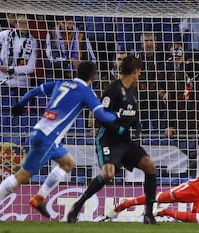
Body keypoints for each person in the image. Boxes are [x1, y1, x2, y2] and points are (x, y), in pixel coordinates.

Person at [0, 61, 119, 224]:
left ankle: (39, 198)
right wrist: (116, 116)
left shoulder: (61, 83)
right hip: (49, 138)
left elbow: (37, 90)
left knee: (68, 163)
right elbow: (101, 116)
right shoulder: (86, 92)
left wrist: (20, 104)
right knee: (23, 175)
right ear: (93, 77)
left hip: (42, 131)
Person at [67, 56, 158, 225]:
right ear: (136, 70)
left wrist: (137, 125)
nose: (140, 75)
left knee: (149, 166)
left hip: (125, 141)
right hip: (108, 139)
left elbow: (131, 115)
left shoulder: (133, 91)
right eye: (139, 71)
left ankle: (149, 214)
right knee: (108, 173)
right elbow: (101, 118)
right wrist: (119, 129)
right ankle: (77, 206)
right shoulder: (112, 90)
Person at [163, 49, 199, 177]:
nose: (192, 63)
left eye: (195, 61)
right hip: (178, 125)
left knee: (196, 154)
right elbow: (169, 104)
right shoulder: (177, 76)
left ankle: (193, 177)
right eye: (189, 61)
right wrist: (169, 125)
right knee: (188, 153)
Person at [0, 14, 38, 96]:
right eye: (21, 22)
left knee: (21, 107)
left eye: (26, 22)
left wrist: (11, 69)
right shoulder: (7, 34)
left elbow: (31, 68)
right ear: (16, 24)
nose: (24, 24)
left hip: (22, 82)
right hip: (3, 79)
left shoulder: (33, 41)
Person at [45, 16, 95, 80]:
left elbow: (91, 58)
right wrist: (69, 61)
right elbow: (52, 58)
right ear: (59, 22)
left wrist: (80, 67)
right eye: (64, 23)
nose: (66, 26)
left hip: (78, 71)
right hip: (59, 70)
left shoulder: (81, 35)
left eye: (69, 23)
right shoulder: (52, 34)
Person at [134, 32, 166, 131]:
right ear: (142, 44)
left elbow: (166, 77)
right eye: (146, 41)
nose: (149, 43)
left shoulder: (163, 58)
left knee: (161, 128)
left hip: (159, 101)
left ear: (156, 43)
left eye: (151, 40)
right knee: (142, 130)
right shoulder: (135, 59)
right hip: (142, 101)